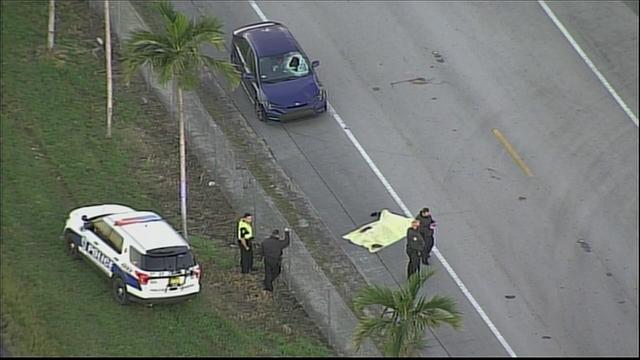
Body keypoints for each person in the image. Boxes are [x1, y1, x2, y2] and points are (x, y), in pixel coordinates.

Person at [260, 228, 291, 292]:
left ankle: (268, 287)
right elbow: (286, 242)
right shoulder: (278, 243)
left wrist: (261, 257)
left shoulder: (265, 242)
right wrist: (287, 233)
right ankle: (269, 282)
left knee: (268, 273)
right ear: (277, 235)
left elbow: (261, 250)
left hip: (267, 259)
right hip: (275, 260)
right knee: (276, 272)